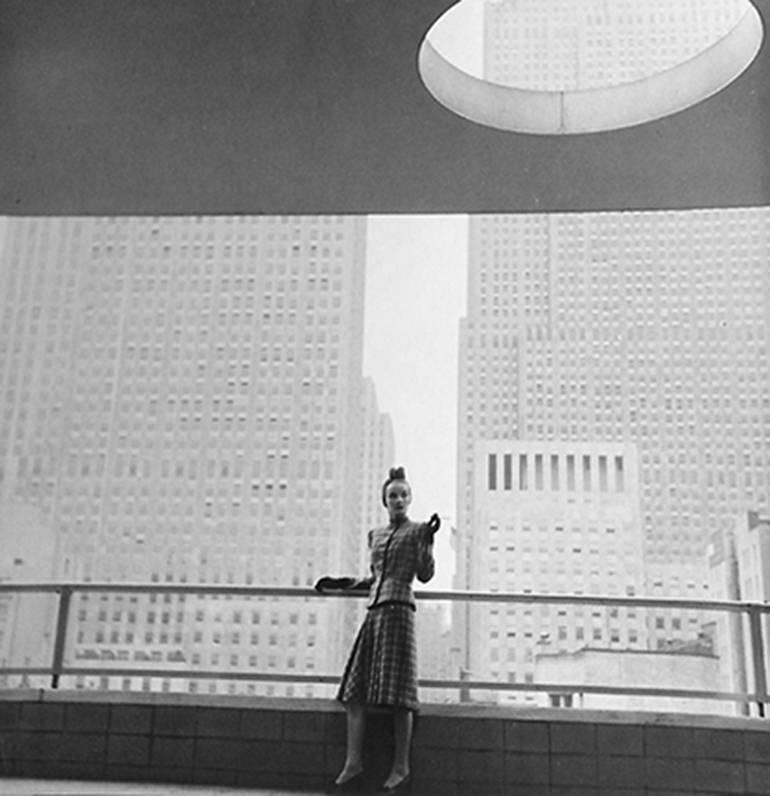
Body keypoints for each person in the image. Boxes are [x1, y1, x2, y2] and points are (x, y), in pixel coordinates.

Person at [315, 466, 440, 793]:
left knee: (400, 696)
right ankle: (353, 764)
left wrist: (428, 541)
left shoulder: (417, 531)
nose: (398, 500)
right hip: (374, 614)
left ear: (410, 499)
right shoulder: (376, 535)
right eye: (392, 495)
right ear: (385, 501)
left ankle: (401, 768)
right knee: (354, 691)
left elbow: (425, 575)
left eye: (403, 495)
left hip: (399, 612)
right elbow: (375, 577)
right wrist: (342, 584)